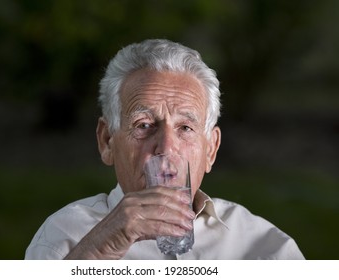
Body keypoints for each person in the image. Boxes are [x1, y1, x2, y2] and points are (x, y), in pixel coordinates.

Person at [25, 39, 304, 260]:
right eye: (144, 125)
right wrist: (97, 253)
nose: (167, 148)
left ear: (211, 149)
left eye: (185, 128)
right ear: (107, 141)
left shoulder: (266, 249)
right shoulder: (63, 239)